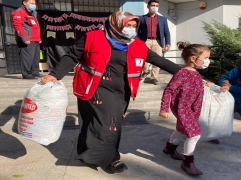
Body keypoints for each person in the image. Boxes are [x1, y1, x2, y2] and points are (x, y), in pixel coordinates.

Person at [40, 11, 181, 173]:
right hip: (95, 88)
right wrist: (54, 75)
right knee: (111, 125)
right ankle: (112, 159)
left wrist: (189, 74)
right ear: (116, 23)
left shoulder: (137, 45)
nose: (131, 29)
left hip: (122, 91)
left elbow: (159, 61)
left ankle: (87, 154)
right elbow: (72, 56)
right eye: (128, 25)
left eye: (134, 26)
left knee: (93, 123)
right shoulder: (93, 37)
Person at [159, 42, 211, 176]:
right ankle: (187, 162)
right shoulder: (182, 73)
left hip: (193, 109)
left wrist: (204, 85)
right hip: (183, 108)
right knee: (194, 134)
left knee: (181, 129)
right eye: (205, 58)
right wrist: (164, 108)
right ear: (193, 59)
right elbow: (169, 90)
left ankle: (169, 148)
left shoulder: (195, 73)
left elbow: (192, 87)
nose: (207, 61)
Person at [138, 0, 171, 85]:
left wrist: (168, 42)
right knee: (144, 58)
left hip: (158, 41)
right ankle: (146, 71)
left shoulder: (163, 19)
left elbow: (166, 32)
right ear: (148, 6)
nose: (155, 7)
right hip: (145, 41)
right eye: (153, 5)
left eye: (157, 6)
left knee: (157, 60)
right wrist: (136, 42)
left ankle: (154, 77)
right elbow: (137, 31)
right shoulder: (141, 18)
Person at [11, 0, 42, 79]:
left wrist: (38, 38)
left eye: (34, 3)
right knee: (27, 57)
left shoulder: (32, 12)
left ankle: (34, 72)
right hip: (27, 39)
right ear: (24, 3)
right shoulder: (19, 12)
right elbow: (18, 25)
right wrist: (24, 38)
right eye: (31, 3)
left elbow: (35, 26)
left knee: (35, 57)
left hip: (35, 39)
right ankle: (26, 73)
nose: (33, 5)